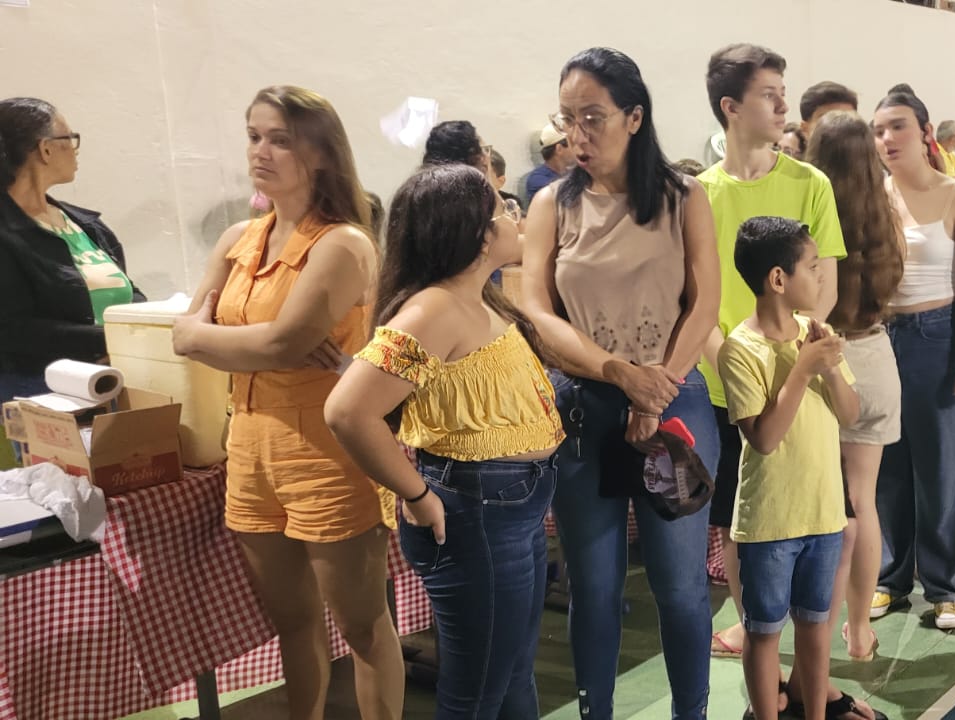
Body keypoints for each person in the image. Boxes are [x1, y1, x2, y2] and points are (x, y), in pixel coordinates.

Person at [170, 85, 403, 720]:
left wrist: (226, 340)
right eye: (254, 136)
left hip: (328, 448)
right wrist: (240, 343)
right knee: (292, 622)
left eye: (280, 139)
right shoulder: (238, 238)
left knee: (361, 625)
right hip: (247, 444)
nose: (261, 151)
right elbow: (184, 334)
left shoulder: (343, 243)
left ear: (321, 152)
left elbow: (279, 342)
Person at [519, 47, 721, 720]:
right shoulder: (550, 204)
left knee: (680, 585)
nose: (577, 134)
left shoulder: (683, 198)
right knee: (594, 586)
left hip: (674, 402)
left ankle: (691, 711)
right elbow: (538, 311)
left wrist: (656, 388)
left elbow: (705, 302)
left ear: (634, 118)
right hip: (584, 407)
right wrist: (616, 374)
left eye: (593, 117)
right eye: (568, 118)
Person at [325, 163, 564, 718]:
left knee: (509, 676)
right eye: (502, 209)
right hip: (478, 511)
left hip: (511, 506)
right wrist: (415, 493)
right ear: (476, 234)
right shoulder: (433, 309)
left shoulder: (478, 298)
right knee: (477, 693)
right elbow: (348, 411)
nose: (514, 216)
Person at [697, 43, 876, 720]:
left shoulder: (810, 182)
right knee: (744, 529)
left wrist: (798, 350)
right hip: (728, 379)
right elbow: (696, 295)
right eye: (769, 94)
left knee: (820, 527)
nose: (782, 105)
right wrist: (734, 362)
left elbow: (822, 281)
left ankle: (811, 689)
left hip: (799, 370)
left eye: (783, 92)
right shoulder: (699, 194)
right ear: (730, 106)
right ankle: (764, 687)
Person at [720, 216, 859, 720]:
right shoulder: (740, 349)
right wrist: (802, 368)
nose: (821, 276)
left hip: (823, 513)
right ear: (778, 279)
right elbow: (764, 438)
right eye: (813, 266)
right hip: (770, 523)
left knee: (816, 628)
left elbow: (851, 414)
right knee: (764, 633)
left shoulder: (815, 334)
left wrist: (829, 368)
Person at [870, 89, 955, 629]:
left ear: (924, 132)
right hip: (879, 337)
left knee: (940, 469)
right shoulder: (874, 198)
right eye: (878, 131)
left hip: (938, 336)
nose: (887, 139)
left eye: (897, 126)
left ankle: (947, 586)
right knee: (887, 469)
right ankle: (889, 578)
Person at [807, 111, 904, 658]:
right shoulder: (886, 216)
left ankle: (812, 631)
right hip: (874, 352)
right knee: (863, 502)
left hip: (824, 358)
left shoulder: (809, 216)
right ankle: (861, 627)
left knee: (821, 512)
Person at [0, 97, 143, 401]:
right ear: (46, 149)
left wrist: (149, 328)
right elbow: (13, 329)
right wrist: (109, 340)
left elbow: (131, 293)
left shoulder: (86, 224)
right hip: (40, 394)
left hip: (111, 380)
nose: (76, 150)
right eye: (70, 138)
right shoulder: (6, 232)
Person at [522, 123, 573, 206]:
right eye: (573, 145)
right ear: (559, 149)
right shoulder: (538, 179)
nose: (579, 149)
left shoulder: (573, 173)